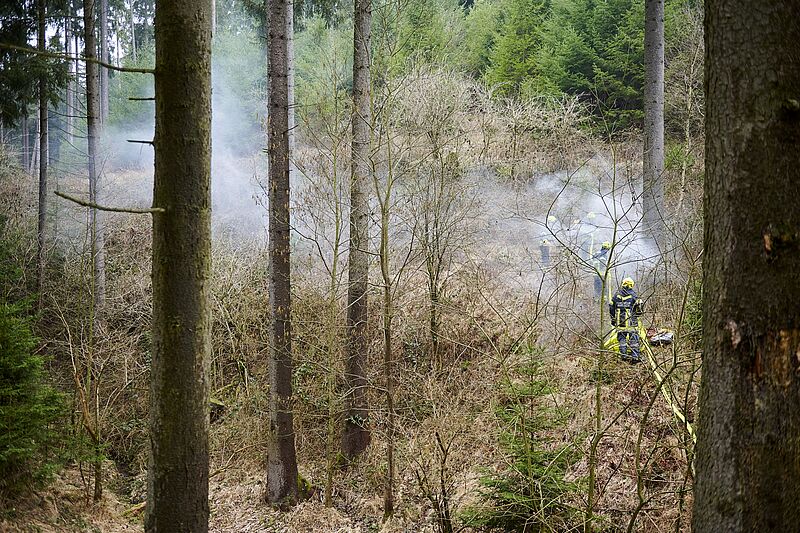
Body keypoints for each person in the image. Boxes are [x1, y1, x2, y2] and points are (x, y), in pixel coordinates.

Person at [609, 277, 644, 363]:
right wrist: (636, 316)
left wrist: (613, 320)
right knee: (634, 340)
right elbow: (640, 309)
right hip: (631, 323)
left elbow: (611, 309)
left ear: (622, 284)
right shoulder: (634, 296)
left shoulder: (616, 296)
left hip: (620, 323)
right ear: (632, 285)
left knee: (622, 340)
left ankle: (623, 356)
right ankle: (635, 357)